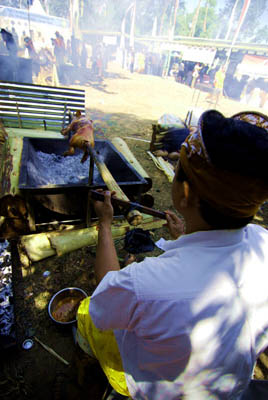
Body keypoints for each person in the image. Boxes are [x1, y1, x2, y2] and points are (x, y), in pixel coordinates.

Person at [76, 109, 268, 399]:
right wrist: (187, 235)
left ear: (186, 193)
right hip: (229, 390)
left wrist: (104, 223)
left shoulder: (145, 284)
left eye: (178, 169)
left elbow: (106, 290)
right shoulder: (263, 243)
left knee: (83, 314)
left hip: (161, 391)